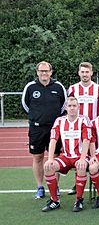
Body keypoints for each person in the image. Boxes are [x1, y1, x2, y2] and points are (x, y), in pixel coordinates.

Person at [21, 61, 66, 199]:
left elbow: (63, 106)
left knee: (55, 157)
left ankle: (55, 186)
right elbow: (25, 105)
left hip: (55, 129)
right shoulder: (30, 87)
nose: (44, 73)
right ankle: (40, 187)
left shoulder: (59, 87)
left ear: (51, 72)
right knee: (38, 157)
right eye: (41, 71)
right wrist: (37, 118)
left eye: (46, 71)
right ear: (37, 72)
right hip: (37, 129)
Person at [41, 97, 91, 212]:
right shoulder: (59, 121)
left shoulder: (84, 120)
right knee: (48, 167)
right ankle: (54, 201)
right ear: (66, 108)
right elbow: (53, 140)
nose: (72, 108)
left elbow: (86, 140)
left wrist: (83, 158)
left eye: (74, 106)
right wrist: (50, 159)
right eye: (70, 106)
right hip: (66, 156)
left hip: (80, 156)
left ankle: (79, 200)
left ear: (78, 107)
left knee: (81, 166)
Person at [67, 62, 99, 195]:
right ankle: (77, 183)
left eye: (87, 72)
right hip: (77, 128)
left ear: (91, 73)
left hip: (94, 128)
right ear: (79, 73)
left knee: (96, 155)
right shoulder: (73, 88)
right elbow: (70, 106)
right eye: (82, 72)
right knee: (77, 153)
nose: (84, 74)